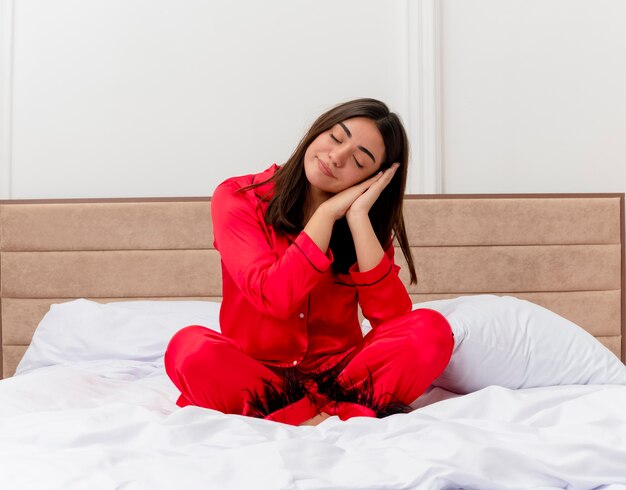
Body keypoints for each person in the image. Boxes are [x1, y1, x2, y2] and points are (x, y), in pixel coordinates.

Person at [165, 98, 454, 426]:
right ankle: (324, 416)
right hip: (258, 376)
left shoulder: (366, 227)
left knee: (431, 330)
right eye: (336, 137)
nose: (337, 157)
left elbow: (393, 321)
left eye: (359, 161)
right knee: (187, 349)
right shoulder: (240, 197)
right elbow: (273, 296)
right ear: (318, 130)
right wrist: (326, 214)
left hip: (342, 378)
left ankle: (311, 415)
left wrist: (358, 217)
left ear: (371, 180)